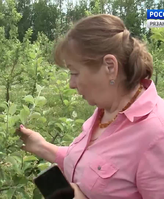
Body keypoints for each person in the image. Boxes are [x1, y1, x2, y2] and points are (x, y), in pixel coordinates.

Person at [18, 14, 164, 199]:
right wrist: (41, 147)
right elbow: (93, 163)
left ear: (110, 67)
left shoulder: (157, 135)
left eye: (75, 72)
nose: (71, 83)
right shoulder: (107, 110)